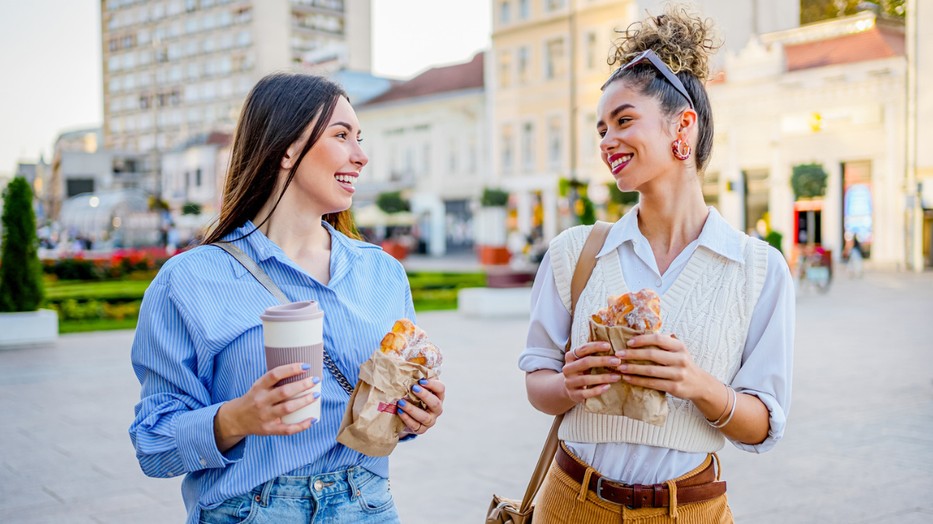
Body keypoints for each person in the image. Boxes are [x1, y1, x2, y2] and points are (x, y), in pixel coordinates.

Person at [129, 72, 445, 524]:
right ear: (286, 149)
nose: (361, 155)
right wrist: (237, 418)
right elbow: (153, 446)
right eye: (341, 136)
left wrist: (413, 414)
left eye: (360, 138)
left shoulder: (383, 273)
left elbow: (382, 416)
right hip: (249, 511)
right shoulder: (189, 280)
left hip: (367, 506)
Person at [519, 6, 794, 522]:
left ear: (682, 127)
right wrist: (568, 385)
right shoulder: (576, 252)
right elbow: (538, 382)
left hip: (689, 509)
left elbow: (762, 425)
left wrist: (696, 383)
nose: (606, 142)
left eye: (623, 121)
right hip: (571, 503)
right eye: (601, 129)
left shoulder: (758, 268)